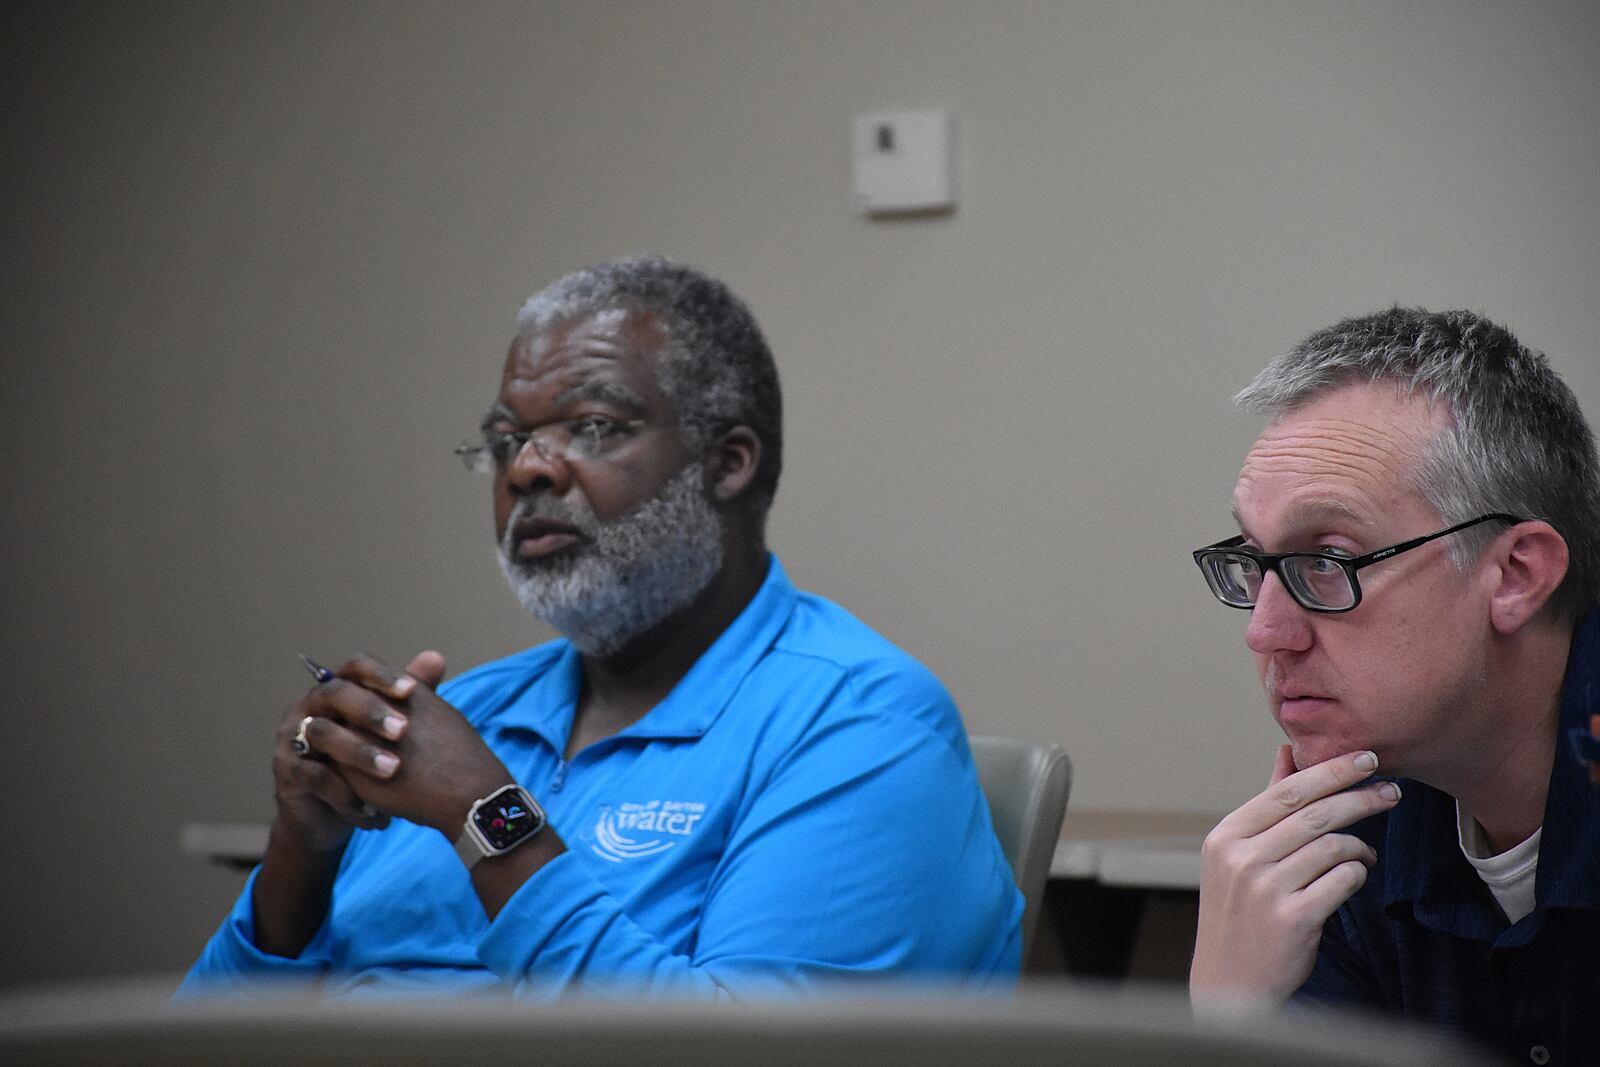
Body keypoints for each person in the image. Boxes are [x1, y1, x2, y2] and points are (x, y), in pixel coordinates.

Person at [182, 256, 1021, 997]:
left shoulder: (859, 724)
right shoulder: (459, 716)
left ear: (726, 464)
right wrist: (301, 852)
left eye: (592, 427)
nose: (529, 468)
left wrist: (487, 812)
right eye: (505, 440)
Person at [1188, 307, 1600, 1061]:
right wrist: (1227, 1017)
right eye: (1256, 563)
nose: (1265, 631)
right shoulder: (1345, 833)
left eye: (1329, 560)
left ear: (1515, 574)